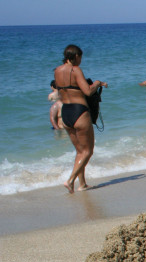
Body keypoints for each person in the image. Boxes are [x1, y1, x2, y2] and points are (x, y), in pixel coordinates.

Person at [54, 44, 107, 193]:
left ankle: (82, 184)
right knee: (87, 151)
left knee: (79, 151)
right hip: (79, 111)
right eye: (80, 58)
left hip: (66, 112)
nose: (80, 61)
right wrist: (97, 83)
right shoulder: (76, 70)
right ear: (76, 56)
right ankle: (70, 180)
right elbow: (88, 91)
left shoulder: (57, 70)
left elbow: (62, 90)